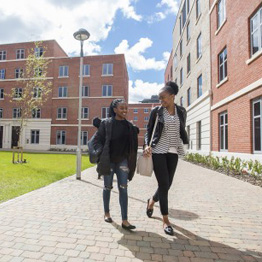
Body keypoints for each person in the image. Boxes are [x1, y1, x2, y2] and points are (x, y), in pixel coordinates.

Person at [143, 81, 188, 235]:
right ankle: (165, 220)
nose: (161, 101)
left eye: (163, 98)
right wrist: (146, 145)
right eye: (159, 98)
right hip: (158, 151)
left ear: (172, 96)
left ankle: (151, 202)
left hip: (173, 151)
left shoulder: (181, 111)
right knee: (163, 184)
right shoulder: (156, 111)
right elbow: (148, 131)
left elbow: (181, 128)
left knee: (167, 185)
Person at [93, 99, 139, 230]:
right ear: (114, 110)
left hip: (122, 161)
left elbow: (133, 145)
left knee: (123, 188)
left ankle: (125, 220)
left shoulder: (129, 126)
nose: (124, 110)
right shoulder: (106, 124)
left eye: (126, 108)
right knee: (107, 186)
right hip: (109, 160)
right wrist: (101, 152)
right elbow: (97, 140)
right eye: (121, 108)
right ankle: (106, 213)